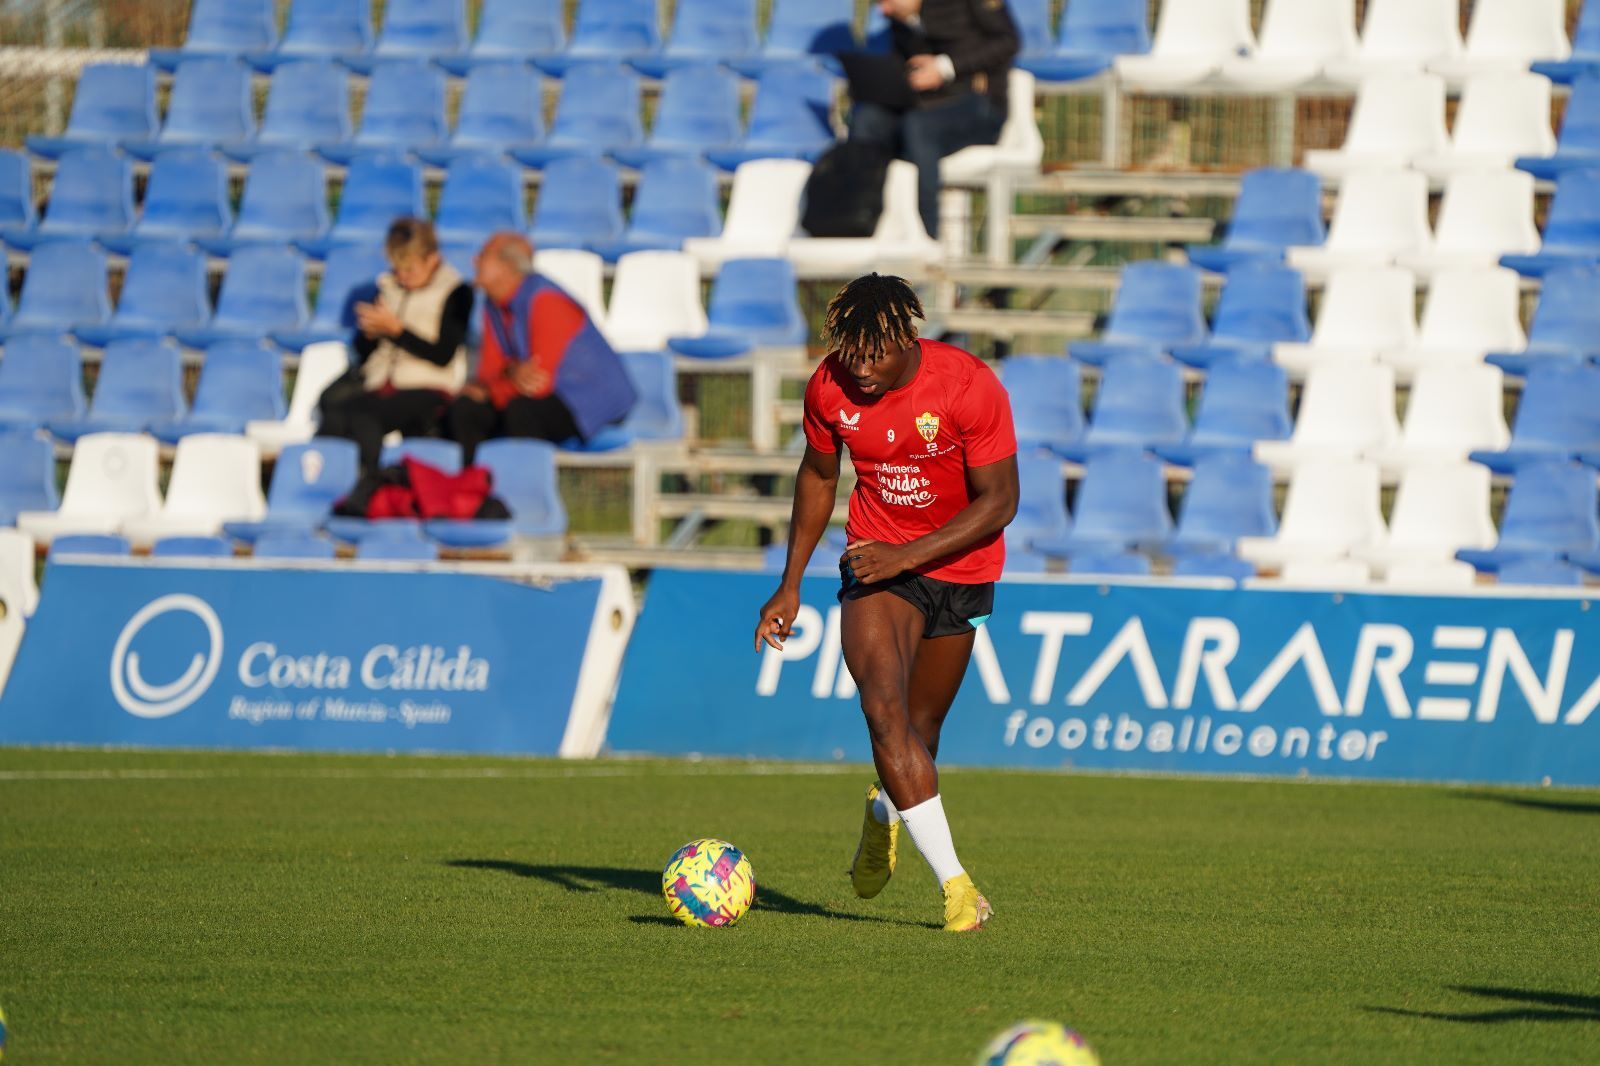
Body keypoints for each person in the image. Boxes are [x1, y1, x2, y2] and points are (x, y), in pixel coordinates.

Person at [753, 274, 1019, 932]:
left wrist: (910, 555)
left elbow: (1000, 503)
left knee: (919, 733)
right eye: (852, 354)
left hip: (961, 569)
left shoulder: (967, 386)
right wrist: (790, 583)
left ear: (908, 339)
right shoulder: (828, 386)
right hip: (875, 563)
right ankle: (957, 889)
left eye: (876, 355)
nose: (862, 370)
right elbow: (818, 476)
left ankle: (884, 813)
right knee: (882, 707)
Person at [445, 233, 636, 463]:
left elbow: (538, 383)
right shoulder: (493, 303)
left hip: (585, 401)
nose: (474, 261)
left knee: (521, 412)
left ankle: (522, 490)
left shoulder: (546, 300)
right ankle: (469, 489)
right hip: (532, 394)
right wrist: (508, 373)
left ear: (508, 266)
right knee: (466, 409)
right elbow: (490, 370)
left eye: (484, 255)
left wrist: (494, 387)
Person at [848, 0, 1019, 239]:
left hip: (981, 107)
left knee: (918, 127)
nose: (883, 10)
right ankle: (861, 225)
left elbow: (1008, 41)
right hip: (923, 105)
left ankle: (927, 238)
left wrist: (945, 67)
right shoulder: (898, 20)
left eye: (886, 1)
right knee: (868, 118)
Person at [318, 218, 473, 472]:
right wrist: (371, 333)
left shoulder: (455, 292)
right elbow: (364, 353)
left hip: (427, 384)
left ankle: (367, 484)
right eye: (398, 269)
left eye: (410, 270)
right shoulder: (388, 286)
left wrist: (397, 331)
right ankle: (326, 481)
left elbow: (443, 354)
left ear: (432, 259)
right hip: (380, 380)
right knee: (334, 411)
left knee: (364, 417)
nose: (402, 276)